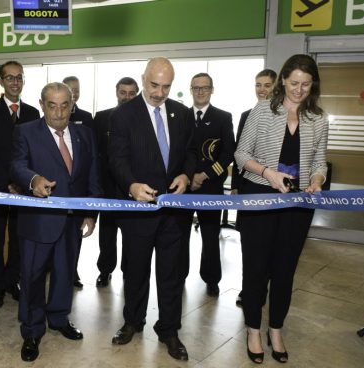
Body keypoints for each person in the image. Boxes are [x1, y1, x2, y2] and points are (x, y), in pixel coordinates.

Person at [234, 54, 328, 364]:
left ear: (313, 84)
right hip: (259, 198)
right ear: (283, 80)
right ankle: (253, 330)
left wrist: (316, 179)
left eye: (306, 84)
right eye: (294, 83)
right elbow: (241, 154)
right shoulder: (262, 111)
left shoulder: (319, 118)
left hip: (297, 204)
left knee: (285, 271)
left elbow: (319, 162)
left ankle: (276, 329)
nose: (299, 90)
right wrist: (268, 173)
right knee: (256, 269)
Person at [109, 57, 195, 361]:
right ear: (143, 79)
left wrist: (185, 174)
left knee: (172, 274)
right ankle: (132, 321)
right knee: (135, 271)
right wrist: (132, 185)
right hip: (138, 210)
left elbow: (190, 153)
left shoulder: (183, 114)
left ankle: (169, 329)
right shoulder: (124, 115)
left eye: (167, 86)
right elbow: (116, 159)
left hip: (174, 212)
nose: (160, 92)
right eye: (154, 85)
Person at [10, 82, 101, 362]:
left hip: (72, 222)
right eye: (52, 105)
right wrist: (33, 180)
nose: (59, 112)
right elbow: (16, 165)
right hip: (38, 221)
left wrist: (90, 211)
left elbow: (92, 174)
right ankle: (32, 330)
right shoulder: (25, 131)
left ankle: (59, 318)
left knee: (65, 274)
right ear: (41, 104)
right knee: (33, 277)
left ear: (72, 105)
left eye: (65, 105)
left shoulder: (85, 133)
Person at [0, 61, 40, 309]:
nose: (14, 82)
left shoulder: (33, 114)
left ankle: (13, 280)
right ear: (1, 81)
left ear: (23, 80)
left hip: (23, 189)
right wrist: (7, 182)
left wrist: (20, 182)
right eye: (9, 78)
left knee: (17, 238)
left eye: (19, 77)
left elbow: (33, 155)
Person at [181, 72, 235, 296]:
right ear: (191, 90)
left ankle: (211, 278)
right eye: (196, 88)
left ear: (212, 90)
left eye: (205, 87)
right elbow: (176, 151)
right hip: (183, 186)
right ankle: (178, 274)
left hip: (210, 186)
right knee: (180, 235)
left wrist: (204, 175)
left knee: (210, 236)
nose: (200, 91)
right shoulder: (180, 116)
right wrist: (188, 175)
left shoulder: (223, 117)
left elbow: (228, 153)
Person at [232, 68, 277, 307]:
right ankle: (248, 288)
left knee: (271, 245)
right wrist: (237, 187)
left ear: (276, 87)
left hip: (276, 189)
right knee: (249, 244)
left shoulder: (286, 115)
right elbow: (240, 153)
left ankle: (264, 288)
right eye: (258, 85)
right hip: (250, 188)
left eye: (267, 85)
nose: (262, 90)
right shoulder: (246, 115)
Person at [93, 76, 139, 287]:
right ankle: (105, 270)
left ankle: (129, 272)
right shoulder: (101, 118)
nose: (127, 97)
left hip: (134, 190)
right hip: (109, 187)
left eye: (131, 93)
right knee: (107, 235)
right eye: (123, 93)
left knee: (131, 236)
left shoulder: (144, 119)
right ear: (116, 92)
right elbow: (95, 155)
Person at [62, 75, 95, 288]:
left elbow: (92, 157)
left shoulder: (86, 117)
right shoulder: (49, 117)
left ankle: (72, 271)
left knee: (75, 237)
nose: (74, 92)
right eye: (69, 89)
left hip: (79, 193)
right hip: (57, 192)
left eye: (76, 89)